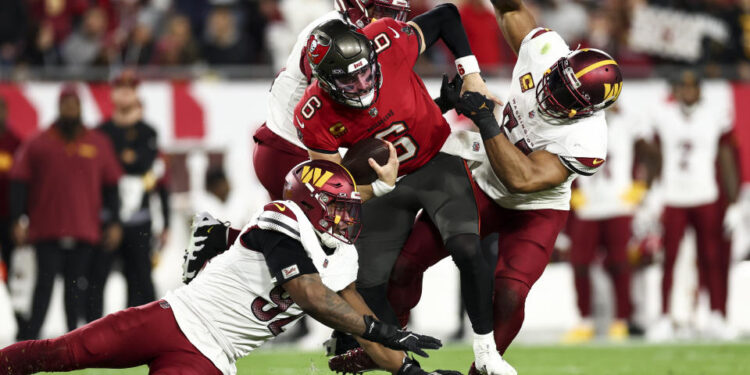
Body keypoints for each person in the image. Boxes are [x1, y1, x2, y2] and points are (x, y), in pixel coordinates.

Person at [0, 160, 455, 375]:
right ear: (310, 205)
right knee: (61, 352)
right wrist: (380, 331)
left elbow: (361, 324)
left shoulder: (340, 256)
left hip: (211, 358)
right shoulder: (285, 218)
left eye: (348, 209)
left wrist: (412, 373)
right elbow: (309, 295)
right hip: (171, 318)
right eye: (337, 208)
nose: (347, 218)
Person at [375, 0, 623, 372]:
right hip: (481, 180)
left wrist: (484, 120)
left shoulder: (587, 140)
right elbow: (509, 10)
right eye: (556, 80)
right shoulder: (545, 50)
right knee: (403, 267)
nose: (551, 94)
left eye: (566, 99)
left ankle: (481, 371)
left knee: (508, 294)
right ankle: (391, 353)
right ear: (561, 62)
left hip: (535, 208)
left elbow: (522, 180)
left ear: (588, 111)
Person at [294, 9, 513, 374]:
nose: (362, 85)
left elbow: (447, 16)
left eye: (366, 72)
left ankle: (487, 351)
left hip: (436, 158)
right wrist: (379, 185)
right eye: (349, 82)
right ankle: (403, 365)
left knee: (467, 247)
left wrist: (470, 74)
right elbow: (334, 193)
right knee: (366, 283)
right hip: (384, 185)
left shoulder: (387, 41)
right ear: (326, 82)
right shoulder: (313, 113)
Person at [254, 0, 412, 201]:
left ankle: (220, 233)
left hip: (284, 146)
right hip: (292, 149)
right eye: (383, 12)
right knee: (342, 216)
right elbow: (342, 104)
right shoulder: (332, 36)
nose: (389, 22)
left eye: (395, 15)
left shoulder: (350, 32)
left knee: (287, 230)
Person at [10, 85, 123, 340]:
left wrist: (114, 222)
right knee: (43, 288)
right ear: (59, 107)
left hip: (84, 228)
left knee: (76, 289)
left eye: (75, 104)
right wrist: (18, 219)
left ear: (81, 107)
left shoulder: (98, 143)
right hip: (46, 229)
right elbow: (19, 183)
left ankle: (75, 345)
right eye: (66, 104)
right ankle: (28, 341)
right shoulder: (38, 143)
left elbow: (112, 187)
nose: (71, 109)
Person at [645, 70, 740, 341]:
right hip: (673, 195)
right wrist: (650, 190)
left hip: (705, 194)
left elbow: (727, 159)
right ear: (675, 90)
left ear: (700, 89)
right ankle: (665, 317)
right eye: (682, 87)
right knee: (669, 259)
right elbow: (656, 156)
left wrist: (732, 203)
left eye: (691, 87)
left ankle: (717, 315)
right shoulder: (662, 116)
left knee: (712, 257)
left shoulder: (714, 116)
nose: (687, 92)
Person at [562, 103, 651, 343]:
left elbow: (650, 153)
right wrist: (572, 188)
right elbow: (560, 157)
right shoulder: (576, 123)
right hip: (588, 205)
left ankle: (621, 320)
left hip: (618, 203)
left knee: (620, 263)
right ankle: (584, 320)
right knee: (580, 262)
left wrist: (641, 185)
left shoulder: (628, 122)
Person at [87, 71, 171, 321]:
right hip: (105, 217)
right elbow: (107, 171)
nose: (125, 93)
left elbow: (155, 174)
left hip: (139, 218)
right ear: (112, 94)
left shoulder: (148, 132)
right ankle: (91, 334)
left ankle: (140, 334)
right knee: (96, 278)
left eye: (130, 89)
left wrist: (165, 222)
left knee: (141, 279)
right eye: (120, 89)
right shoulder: (100, 132)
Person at [0, 97, 21, 283]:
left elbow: (22, 182)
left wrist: (20, 217)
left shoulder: (15, 143)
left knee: (10, 260)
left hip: (8, 215)